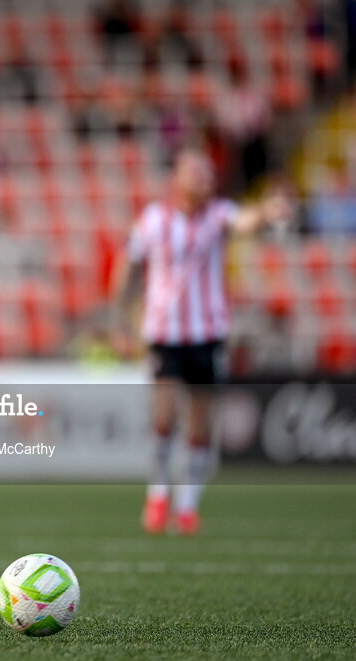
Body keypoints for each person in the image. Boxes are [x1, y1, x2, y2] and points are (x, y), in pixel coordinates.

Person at [110, 148, 290, 535]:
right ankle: (158, 494)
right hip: (164, 333)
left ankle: (187, 504)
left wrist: (267, 211)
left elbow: (246, 222)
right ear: (177, 178)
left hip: (207, 334)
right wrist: (120, 322)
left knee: (199, 424)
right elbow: (128, 268)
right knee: (163, 416)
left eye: (208, 173)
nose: (204, 180)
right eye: (196, 173)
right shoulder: (154, 220)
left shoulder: (218, 214)